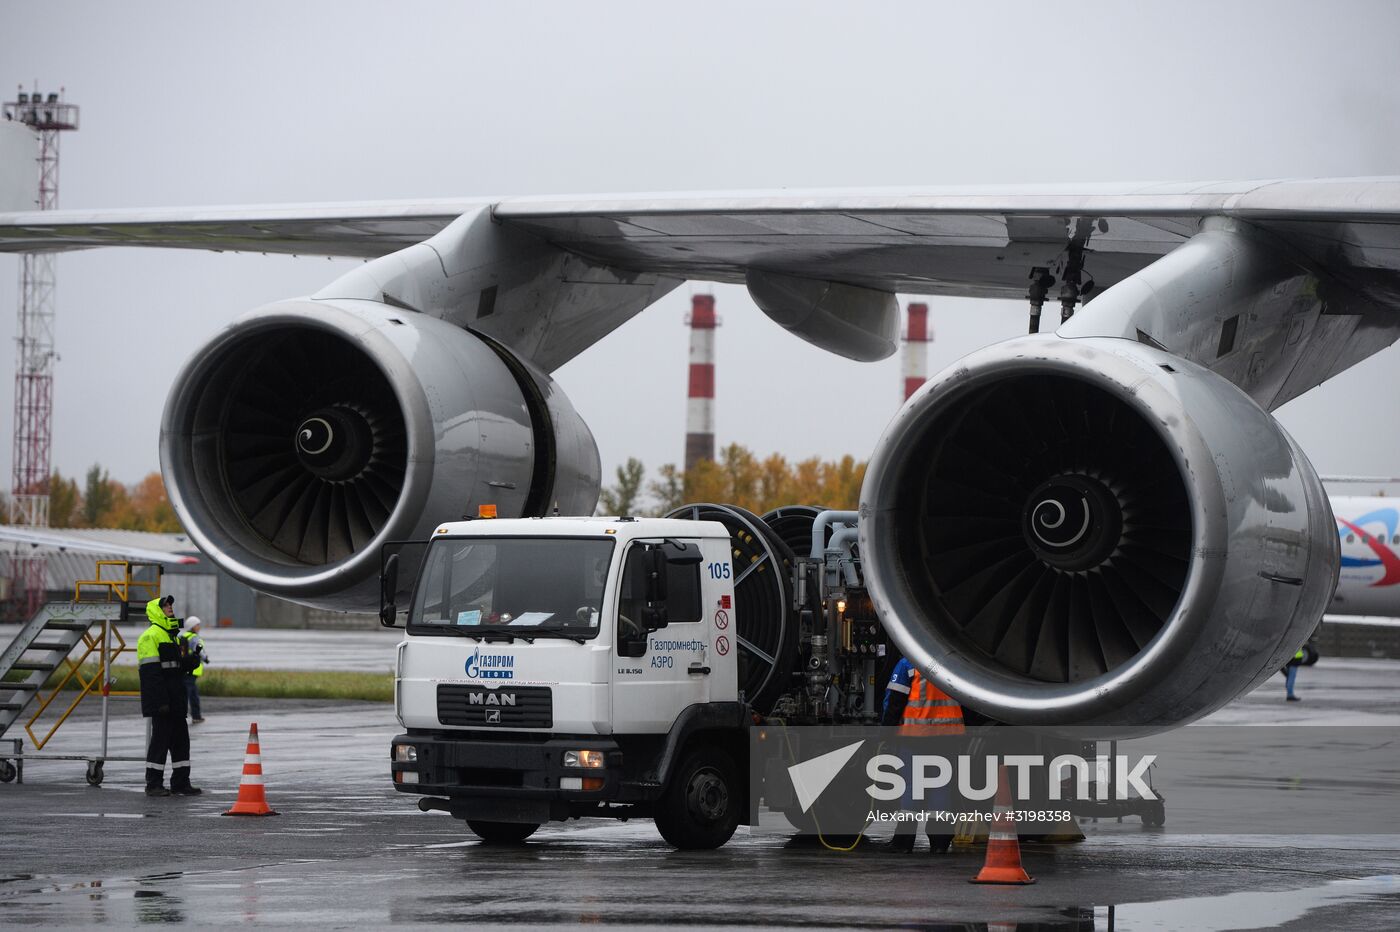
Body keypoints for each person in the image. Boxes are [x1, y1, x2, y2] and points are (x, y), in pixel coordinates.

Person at [882, 655, 965, 852]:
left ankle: (903, 842)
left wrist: (886, 733)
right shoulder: (954, 663)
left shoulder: (909, 663)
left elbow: (894, 701)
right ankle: (940, 842)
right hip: (948, 735)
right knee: (941, 786)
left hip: (915, 735)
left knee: (911, 786)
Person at [136, 595, 202, 797]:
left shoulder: (171, 635)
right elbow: (151, 675)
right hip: (164, 702)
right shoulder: (151, 636)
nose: (169, 607)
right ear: (157, 611)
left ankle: (181, 783)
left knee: (181, 742)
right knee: (160, 743)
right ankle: (153, 784)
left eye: (170, 605)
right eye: (165, 605)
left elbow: (174, 668)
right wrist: (160, 702)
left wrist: (190, 662)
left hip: (176, 699)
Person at [178, 617, 210, 723]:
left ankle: (196, 716)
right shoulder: (194, 638)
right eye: (197, 625)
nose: (199, 627)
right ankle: (185, 716)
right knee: (189, 694)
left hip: (184, 668)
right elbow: (199, 650)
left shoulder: (183, 636)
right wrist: (205, 658)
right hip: (192, 670)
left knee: (192, 694)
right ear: (192, 626)